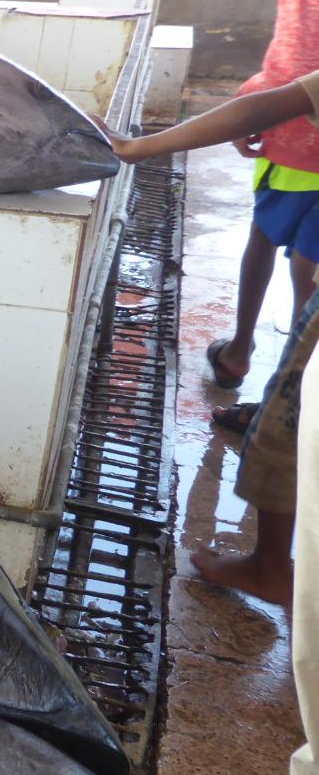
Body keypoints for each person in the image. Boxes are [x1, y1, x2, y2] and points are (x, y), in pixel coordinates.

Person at [107, 70, 319, 606]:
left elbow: (266, 104)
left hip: (294, 172)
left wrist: (136, 147)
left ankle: (271, 568)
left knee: (287, 426)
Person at [200, 0, 319, 428]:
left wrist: (252, 104)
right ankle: (294, 397)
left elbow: (296, 61)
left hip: (299, 145)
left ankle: (272, 389)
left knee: (286, 255)